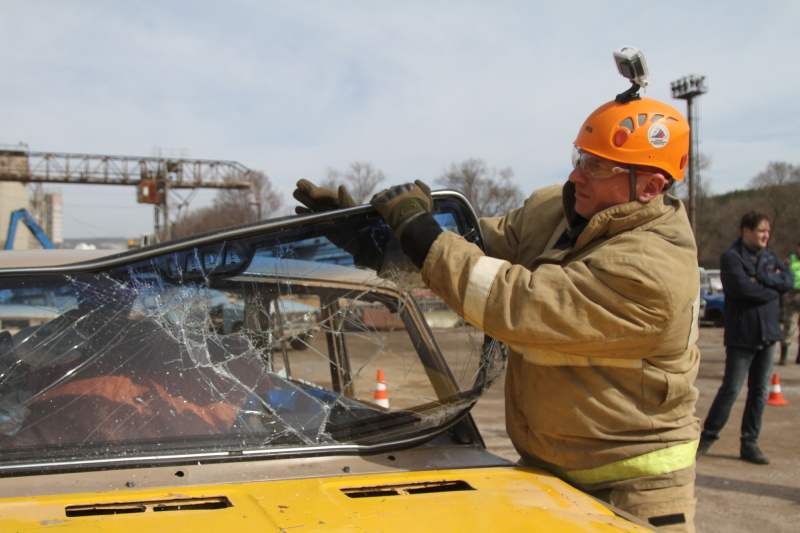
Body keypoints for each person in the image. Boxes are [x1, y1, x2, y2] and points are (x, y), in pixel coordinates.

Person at [295, 94, 701, 532]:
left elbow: (516, 304)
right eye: (581, 157)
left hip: (634, 489)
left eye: (598, 167)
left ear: (649, 188)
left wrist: (420, 230)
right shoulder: (555, 211)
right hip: (545, 474)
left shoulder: (653, 271)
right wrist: (373, 238)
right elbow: (466, 248)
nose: (576, 175)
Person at [696, 212, 794, 464]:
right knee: (731, 388)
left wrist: (762, 278)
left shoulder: (771, 256)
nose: (766, 236)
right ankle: (707, 437)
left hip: (769, 333)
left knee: (760, 391)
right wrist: (770, 288)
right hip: (742, 333)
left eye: (768, 232)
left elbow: (788, 281)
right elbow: (742, 289)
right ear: (746, 231)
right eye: (761, 231)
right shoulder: (731, 257)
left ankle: (750, 443)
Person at [778, 241, 800, 365]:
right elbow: (780, 278)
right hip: (792, 298)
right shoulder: (789, 261)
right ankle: (784, 356)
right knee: (789, 327)